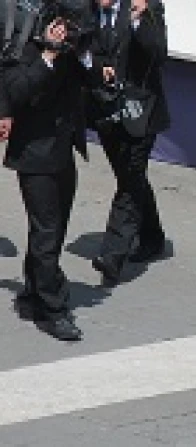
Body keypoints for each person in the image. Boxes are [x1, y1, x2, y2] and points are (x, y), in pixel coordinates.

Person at [2, 11, 93, 341]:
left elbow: (91, 80)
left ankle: (32, 293)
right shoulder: (24, 52)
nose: (61, 31)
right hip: (34, 156)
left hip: (62, 152)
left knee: (50, 229)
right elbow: (16, 92)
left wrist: (81, 51)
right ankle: (52, 310)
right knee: (47, 232)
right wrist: (48, 55)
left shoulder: (72, 53)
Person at [88, 0, 169, 287]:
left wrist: (139, 20)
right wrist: (99, 68)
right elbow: (84, 49)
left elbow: (159, 53)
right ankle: (152, 236)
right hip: (106, 111)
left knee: (130, 180)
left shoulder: (148, 6)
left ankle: (112, 254)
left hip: (140, 111)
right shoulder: (89, 9)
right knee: (130, 177)